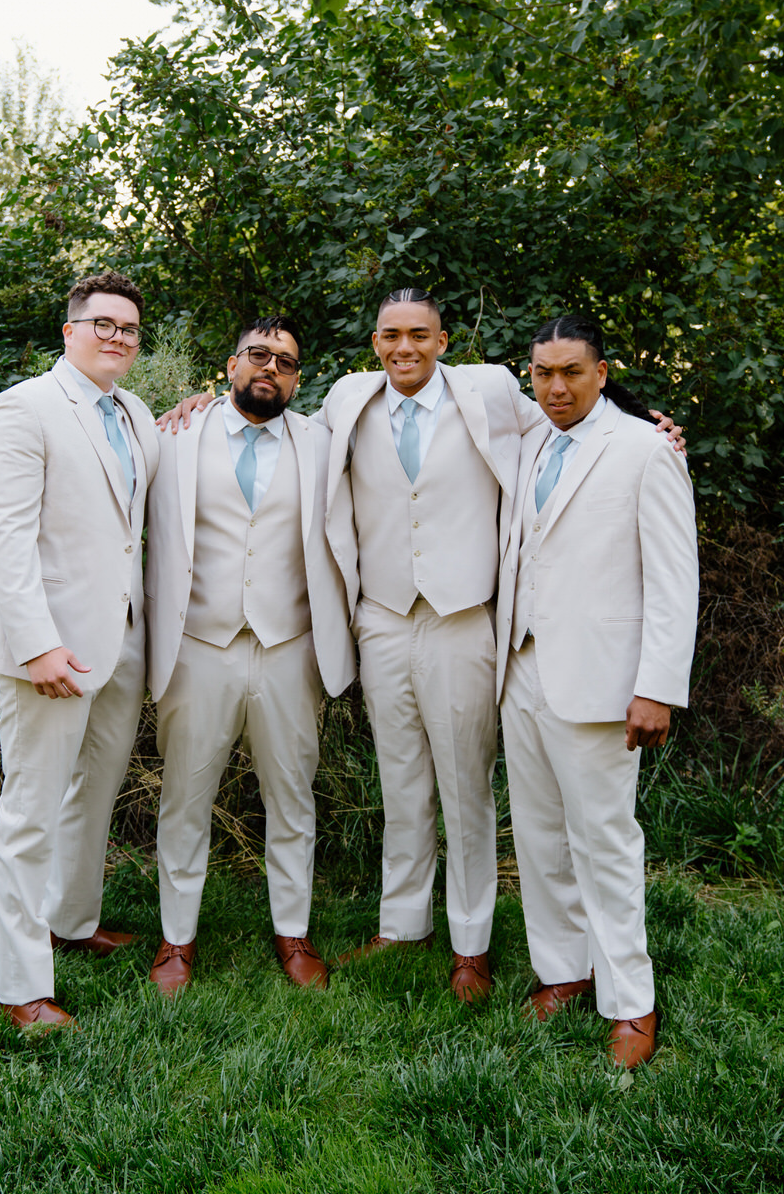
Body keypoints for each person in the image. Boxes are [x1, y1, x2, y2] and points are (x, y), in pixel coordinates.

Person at [165, 289, 681, 1002]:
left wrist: (649, 424)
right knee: (400, 779)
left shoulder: (493, 391)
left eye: (419, 334)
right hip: (380, 618)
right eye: (389, 335)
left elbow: (573, 421)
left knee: (466, 787)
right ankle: (403, 923)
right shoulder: (347, 400)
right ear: (373, 343)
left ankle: (471, 943)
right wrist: (196, 404)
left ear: (443, 342)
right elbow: (268, 420)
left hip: (464, 619)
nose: (403, 347)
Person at [495, 314, 698, 1068]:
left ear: (603, 372)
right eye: (543, 373)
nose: (555, 387)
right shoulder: (530, 441)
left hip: (605, 684)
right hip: (521, 670)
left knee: (605, 843)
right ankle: (563, 970)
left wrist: (656, 688)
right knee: (540, 837)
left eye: (572, 372)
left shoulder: (645, 450)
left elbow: (676, 580)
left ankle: (630, 1001)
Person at [144, 315, 355, 995]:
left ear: (298, 379)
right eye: (258, 356)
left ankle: (293, 934)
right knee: (185, 798)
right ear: (231, 365)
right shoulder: (175, 435)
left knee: (292, 797)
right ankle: (177, 940)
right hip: (198, 646)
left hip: (290, 648)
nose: (271, 368)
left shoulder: (323, 441)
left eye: (286, 362)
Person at [0, 272, 159, 1029]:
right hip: (49, 648)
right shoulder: (24, 409)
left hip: (120, 641)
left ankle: (71, 921)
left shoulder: (136, 413)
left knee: (95, 791)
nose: (117, 338)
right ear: (70, 330)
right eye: (103, 325)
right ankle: (18, 988)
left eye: (129, 330)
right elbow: (6, 538)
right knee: (32, 810)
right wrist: (37, 645)